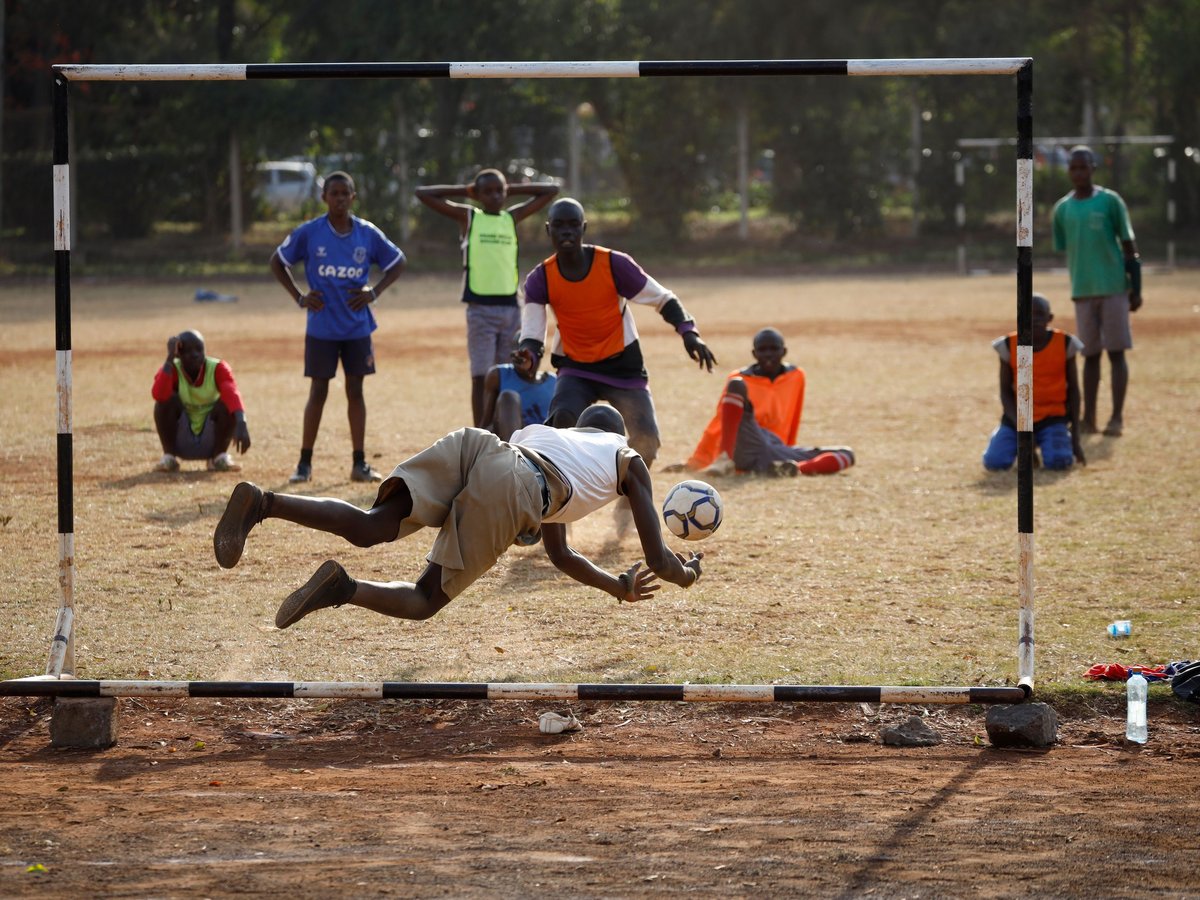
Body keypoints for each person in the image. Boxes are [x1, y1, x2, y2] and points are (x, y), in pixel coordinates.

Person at [212, 404, 704, 629]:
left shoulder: (554, 439)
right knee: (425, 600)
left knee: (371, 525)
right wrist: (686, 575)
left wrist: (617, 587)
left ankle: (263, 503)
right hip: (518, 487)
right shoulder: (625, 458)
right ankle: (345, 589)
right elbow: (658, 559)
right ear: (620, 435)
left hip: (483, 446)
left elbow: (562, 553)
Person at [516, 198, 717, 468]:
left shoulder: (613, 265)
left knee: (646, 440)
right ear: (548, 229)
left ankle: (627, 499)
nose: (567, 232)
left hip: (623, 366)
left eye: (573, 225)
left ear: (583, 228)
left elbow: (662, 298)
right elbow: (532, 334)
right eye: (559, 225)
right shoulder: (540, 278)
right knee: (561, 421)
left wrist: (689, 332)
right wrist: (528, 357)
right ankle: (566, 490)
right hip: (576, 369)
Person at [270, 171, 407, 484]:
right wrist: (299, 297)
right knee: (318, 391)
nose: (340, 199)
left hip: (357, 327)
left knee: (355, 391)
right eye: (334, 193)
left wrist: (373, 292)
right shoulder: (310, 232)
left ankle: (359, 463)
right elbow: (277, 261)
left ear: (353, 198)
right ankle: (304, 463)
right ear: (324, 198)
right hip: (322, 327)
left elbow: (398, 261)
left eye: (346, 193)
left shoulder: (367, 234)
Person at [415, 169, 559, 426]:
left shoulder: (511, 217)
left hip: (511, 309)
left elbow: (551, 191)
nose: (494, 195)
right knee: (480, 376)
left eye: (499, 191)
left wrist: (508, 189)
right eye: (487, 191)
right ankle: (480, 433)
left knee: (508, 375)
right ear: (478, 194)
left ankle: (503, 428)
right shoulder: (469, 217)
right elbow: (423, 194)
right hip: (480, 309)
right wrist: (467, 191)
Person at [1051, 145, 1143, 437]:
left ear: (1093, 168)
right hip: (1082, 290)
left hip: (1114, 288)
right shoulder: (1062, 210)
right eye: (1073, 168)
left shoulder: (1110, 202)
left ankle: (1116, 418)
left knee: (1116, 353)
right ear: (1069, 171)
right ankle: (1087, 418)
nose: (1078, 172)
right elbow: (1066, 247)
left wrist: (1136, 288)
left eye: (1083, 166)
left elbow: (1129, 246)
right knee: (1089, 356)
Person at [681, 328, 854, 477]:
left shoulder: (796, 376)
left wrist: (788, 450)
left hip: (774, 450)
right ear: (754, 354)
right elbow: (719, 424)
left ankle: (791, 469)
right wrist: (696, 462)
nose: (769, 354)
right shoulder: (740, 377)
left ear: (784, 351)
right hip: (747, 441)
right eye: (763, 350)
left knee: (846, 453)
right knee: (736, 385)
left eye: (774, 349)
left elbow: (794, 415)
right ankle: (724, 461)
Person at [982, 293, 1086, 471]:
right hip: (1017, 420)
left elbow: (1074, 390)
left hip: (1052, 418)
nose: (1034, 319)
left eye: (1040, 314)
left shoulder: (1064, 343)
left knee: (1058, 462)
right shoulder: (1009, 345)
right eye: (1029, 314)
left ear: (1050, 318)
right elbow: (1005, 391)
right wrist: (1022, 428)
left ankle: (1054, 441)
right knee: (994, 462)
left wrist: (1075, 438)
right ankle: (1019, 445)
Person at [152, 329, 251, 473]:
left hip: (211, 438)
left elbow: (232, 393)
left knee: (228, 404)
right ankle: (169, 458)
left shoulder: (218, 368)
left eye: (199, 349)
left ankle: (219, 458)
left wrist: (241, 422)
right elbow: (159, 395)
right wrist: (169, 359)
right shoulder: (172, 369)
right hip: (181, 438)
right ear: (178, 354)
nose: (195, 355)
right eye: (188, 351)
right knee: (165, 402)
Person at [478, 353, 557, 442]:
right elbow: (485, 424)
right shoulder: (498, 375)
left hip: (544, 442)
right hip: (512, 441)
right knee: (508, 398)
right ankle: (513, 451)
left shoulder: (553, 381)